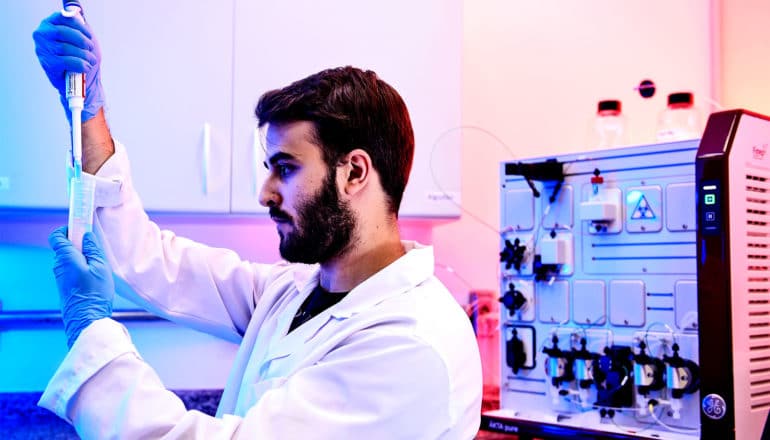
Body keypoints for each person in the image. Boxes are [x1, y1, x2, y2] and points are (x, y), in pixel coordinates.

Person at [33, 8, 482, 440]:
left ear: (355, 173)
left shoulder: (411, 344)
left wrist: (90, 331)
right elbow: (149, 262)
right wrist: (88, 109)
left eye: (285, 168)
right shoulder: (296, 291)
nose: (265, 192)